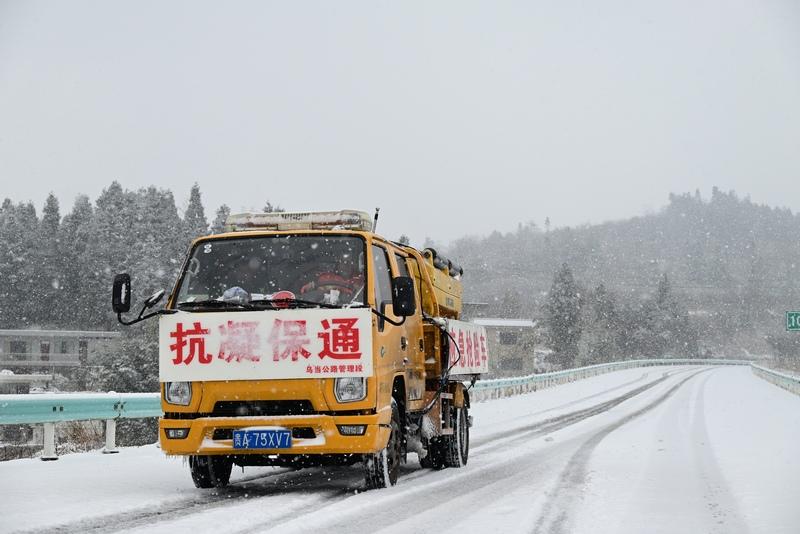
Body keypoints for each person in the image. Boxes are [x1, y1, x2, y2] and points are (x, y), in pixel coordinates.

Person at [300, 254, 364, 304]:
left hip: (351, 308)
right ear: (337, 264)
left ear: (355, 265)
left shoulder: (361, 281)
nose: (345, 265)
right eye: (342, 262)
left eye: (349, 262)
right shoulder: (326, 277)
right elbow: (317, 292)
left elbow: (362, 298)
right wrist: (310, 286)